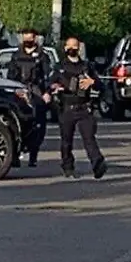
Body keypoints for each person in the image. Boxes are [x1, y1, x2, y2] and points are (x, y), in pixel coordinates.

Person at [50, 37, 107, 179]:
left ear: (79, 48)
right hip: (67, 107)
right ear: (65, 48)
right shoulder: (59, 67)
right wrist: (55, 88)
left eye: (74, 46)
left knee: (89, 138)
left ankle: (98, 164)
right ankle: (68, 166)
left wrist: (92, 82)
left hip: (84, 107)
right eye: (69, 46)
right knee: (66, 141)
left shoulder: (86, 66)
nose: (72, 49)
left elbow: (101, 86)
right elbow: (50, 84)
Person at [5, 28, 52, 167]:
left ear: (35, 38)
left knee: (38, 125)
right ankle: (14, 156)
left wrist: (47, 92)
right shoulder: (16, 55)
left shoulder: (42, 56)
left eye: (29, 38)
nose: (27, 40)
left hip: (36, 92)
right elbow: (10, 75)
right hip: (19, 91)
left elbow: (47, 76)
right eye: (25, 38)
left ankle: (33, 155)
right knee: (14, 123)